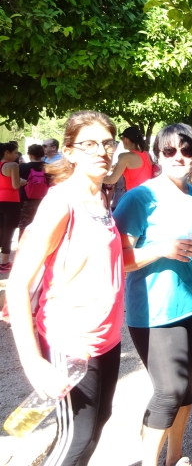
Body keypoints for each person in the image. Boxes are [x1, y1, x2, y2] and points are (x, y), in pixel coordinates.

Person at [6, 111, 124, 466]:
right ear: (69, 151)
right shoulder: (61, 202)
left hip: (106, 339)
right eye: (89, 144)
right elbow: (17, 283)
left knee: (95, 425)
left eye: (107, 143)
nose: (101, 151)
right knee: (76, 439)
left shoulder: (100, 196)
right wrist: (33, 362)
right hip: (70, 343)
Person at [114, 123, 192, 466]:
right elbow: (116, 258)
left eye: (187, 150)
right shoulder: (139, 198)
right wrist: (163, 249)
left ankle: (174, 457)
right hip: (156, 311)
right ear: (157, 156)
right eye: (170, 150)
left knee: (185, 385)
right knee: (169, 390)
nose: (179, 156)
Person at [104, 126, 154, 191]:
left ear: (126, 139)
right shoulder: (147, 154)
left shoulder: (125, 157)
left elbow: (112, 180)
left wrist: (94, 177)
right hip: (149, 194)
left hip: (134, 195)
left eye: (121, 138)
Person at [1, 141, 25, 271]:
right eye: (15, 153)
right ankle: (4, 263)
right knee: (9, 232)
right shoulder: (12, 165)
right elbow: (15, 185)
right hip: (11, 201)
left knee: (1, 230)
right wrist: (22, 182)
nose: (17, 155)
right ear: (7, 153)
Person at [18, 143, 47, 239]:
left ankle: (22, 245)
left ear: (30, 155)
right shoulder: (49, 167)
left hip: (26, 201)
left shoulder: (23, 167)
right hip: (45, 200)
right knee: (43, 226)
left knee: (24, 226)